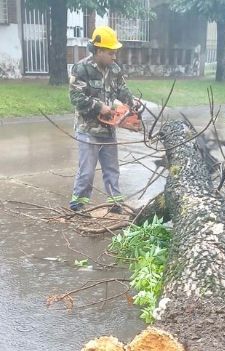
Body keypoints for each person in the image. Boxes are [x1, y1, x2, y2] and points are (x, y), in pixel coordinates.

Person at [68, 26, 137, 213]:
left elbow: (124, 91)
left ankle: (115, 204)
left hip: (108, 130)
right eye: (110, 52)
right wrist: (100, 107)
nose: (114, 56)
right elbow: (76, 98)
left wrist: (134, 107)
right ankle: (78, 204)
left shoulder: (114, 70)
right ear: (98, 51)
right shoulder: (81, 68)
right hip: (88, 130)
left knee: (112, 169)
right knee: (87, 171)